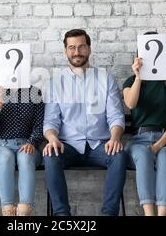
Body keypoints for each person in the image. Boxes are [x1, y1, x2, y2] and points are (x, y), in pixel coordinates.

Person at [43, 29, 126, 216]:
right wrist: (52, 138)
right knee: (50, 155)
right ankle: (62, 217)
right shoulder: (56, 82)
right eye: (71, 47)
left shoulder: (106, 78)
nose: (76, 52)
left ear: (89, 49)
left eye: (81, 46)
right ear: (65, 51)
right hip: (68, 145)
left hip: (100, 145)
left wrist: (115, 138)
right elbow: (51, 120)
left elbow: (116, 116)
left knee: (119, 155)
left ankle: (109, 214)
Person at [123, 31, 166, 216]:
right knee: (142, 153)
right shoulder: (131, 81)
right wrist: (139, 77)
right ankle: (149, 214)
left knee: (165, 156)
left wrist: (158, 145)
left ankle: (162, 214)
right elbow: (131, 104)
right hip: (138, 139)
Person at [0, 85, 44, 216]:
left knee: (26, 156)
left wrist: (31, 142)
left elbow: (40, 126)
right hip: (0, 146)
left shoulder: (34, 93)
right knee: (6, 157)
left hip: (27, 144)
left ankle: (25, 212)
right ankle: (8, 211)